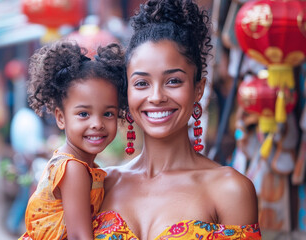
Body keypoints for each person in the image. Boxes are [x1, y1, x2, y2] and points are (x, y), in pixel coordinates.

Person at [92, 0, 261, 239]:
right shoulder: (99, 186)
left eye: (173, 81)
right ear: (127, 92)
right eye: (141, 83)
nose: (157, 97)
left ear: (198, 89)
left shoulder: (230, 189)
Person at [19, 40, 126, 240]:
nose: (97, 124)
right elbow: (79, 236)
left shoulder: (82, 165)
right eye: (84, 114)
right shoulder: (73, 168)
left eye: (108, 114)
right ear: (61, 118)